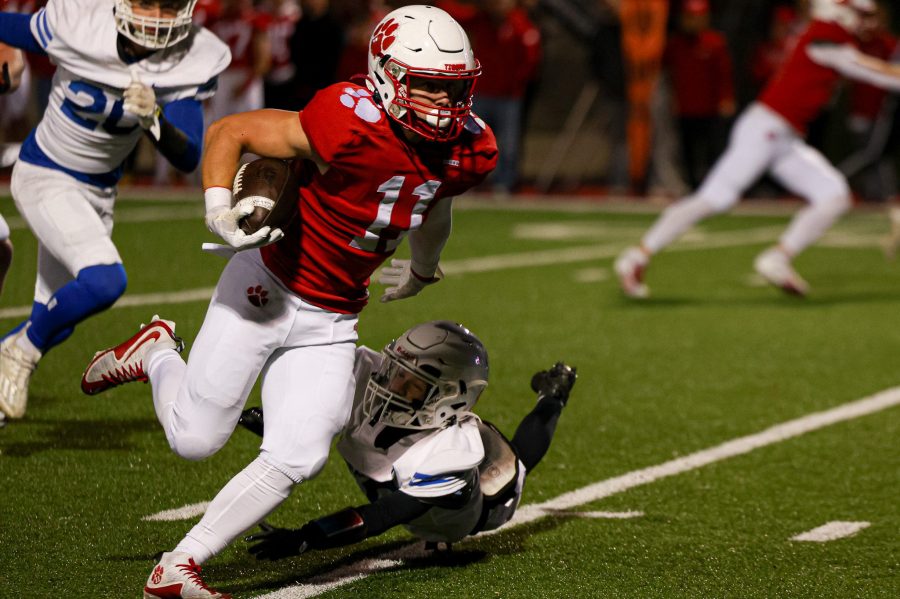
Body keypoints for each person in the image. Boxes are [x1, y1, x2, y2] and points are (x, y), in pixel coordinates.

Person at [81, 5, 497, 597]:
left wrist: (425, 266)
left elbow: (435, 201)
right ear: (385, 73)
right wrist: (219, 210)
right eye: (425, 84)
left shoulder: (470, 146)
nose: (440, 102)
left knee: (301, 453)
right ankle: (157, 353)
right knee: (194, 439)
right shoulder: (347, 116)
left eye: (452, 88)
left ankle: (179, 565)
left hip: (334, 317)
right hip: (267, 286)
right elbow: (232, 131)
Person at [0, 0, 230, 422]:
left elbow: (188, 154)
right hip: (45, 174)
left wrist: (155, 118)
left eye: (168, 6)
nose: (154, 18)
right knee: (105, 280)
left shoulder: (187, 56)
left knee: (57, 317)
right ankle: (19, 353)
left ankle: (13, 350)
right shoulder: (79, 22)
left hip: (99, 193)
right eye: (145, 3)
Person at [615, 0, 900, 298]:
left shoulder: (830, 35)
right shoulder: (825, 36)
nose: (867, 22)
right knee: (716, 198)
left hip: (784, 136)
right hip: (766, 129)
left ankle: (778, 257)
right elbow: (874, 72)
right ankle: (637, 256)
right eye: (863, 14)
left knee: (834, 195)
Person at [239, 323, 577, 562]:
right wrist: (288, 425)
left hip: (471, 513)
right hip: (397, 472)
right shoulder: (368, 376)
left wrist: (306, 537)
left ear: (452, 398)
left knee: (515, 466)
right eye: (396, 371)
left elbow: (386, 513)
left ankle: (553, 396)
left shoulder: (451, 455)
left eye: (413, 384)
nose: (392, 386)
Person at [664, 0, 736, 189]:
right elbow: (669, 74)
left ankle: (715, 186)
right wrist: (672, 99)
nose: (693, 22)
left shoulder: (715, 42)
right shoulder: (675, 43)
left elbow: (724, 74)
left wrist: (726, 98)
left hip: (710, 106)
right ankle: (692, 186)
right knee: (687, 150)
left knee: (713, 149)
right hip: (685, 106)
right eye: (689, 17)